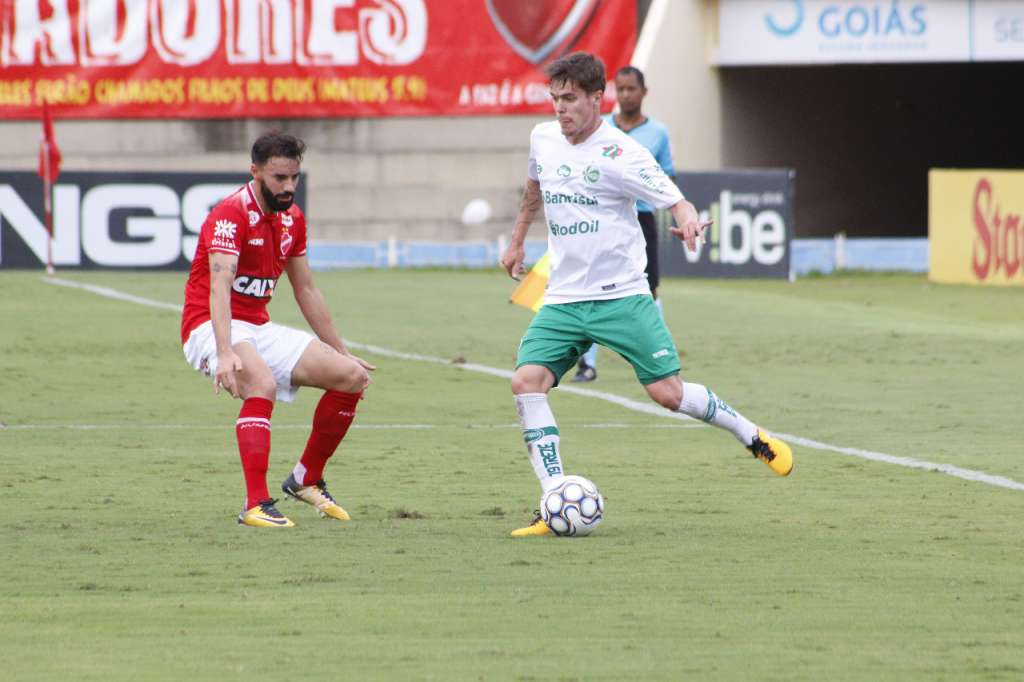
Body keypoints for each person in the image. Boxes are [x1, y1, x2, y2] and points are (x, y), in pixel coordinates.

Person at [499, 53, 793, 537]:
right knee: (525, 382)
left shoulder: (623, 153)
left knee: (667, 394)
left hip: (621, 296)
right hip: (565, 297)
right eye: (555, 98)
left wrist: (689, 221)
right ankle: (554, 495)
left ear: (598, 99)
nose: (560, 109)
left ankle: (751, 435)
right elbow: (534, 188)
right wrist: (515, 242)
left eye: (570, 99)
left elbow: (675, 199)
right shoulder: (543, 139)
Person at [181, 131, 375, 528]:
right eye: (279, 178)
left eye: (294, 178)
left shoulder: (293, 219)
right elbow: (219, 288)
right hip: (210, 324)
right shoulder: (229, 215)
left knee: (351, 377)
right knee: (262, 385)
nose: (288, 187)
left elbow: (305, 288)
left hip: (257, 326)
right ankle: (255, 504)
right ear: (255, 172)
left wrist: (340, 349)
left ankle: (305, 479)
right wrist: (224, 352)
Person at [573, 65, 673, 383]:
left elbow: (667, 175)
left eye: (632, 89)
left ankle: (660, 354)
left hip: (641, 218)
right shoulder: (601, 128)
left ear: (644, 93)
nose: (626, 94)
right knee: (592, 284)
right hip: (606, 218)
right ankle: (586, 363)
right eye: (622, 88)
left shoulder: (657, 133)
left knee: (650, 286)